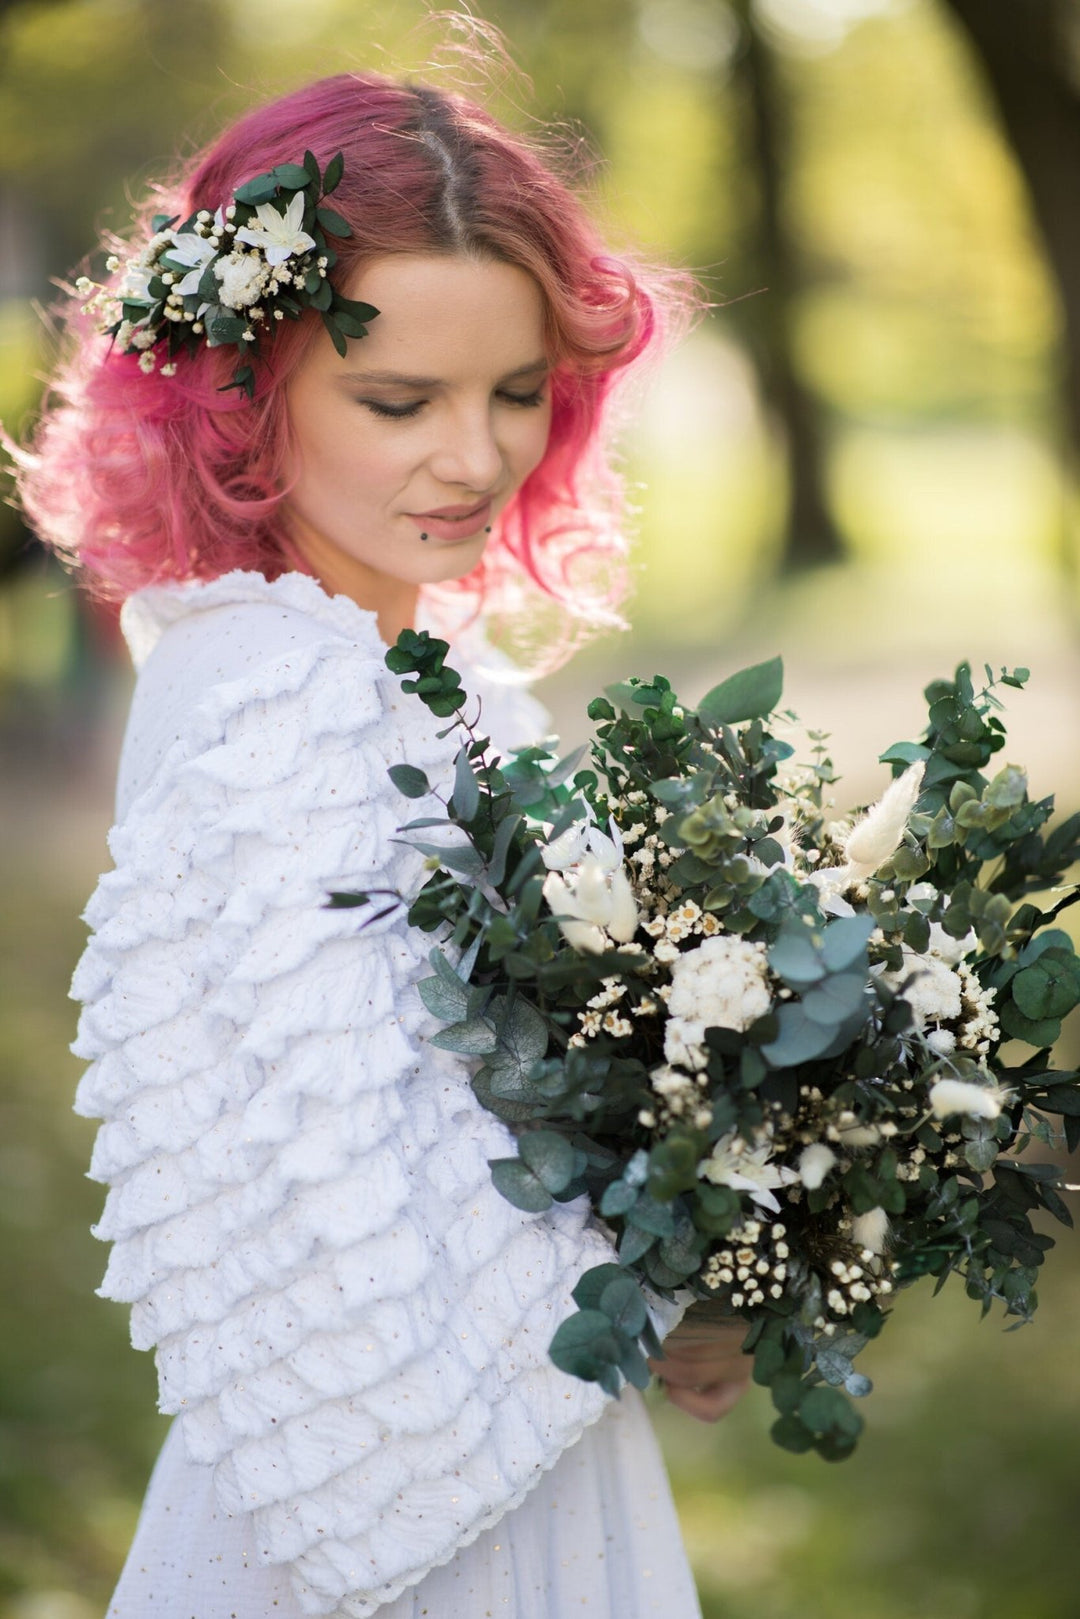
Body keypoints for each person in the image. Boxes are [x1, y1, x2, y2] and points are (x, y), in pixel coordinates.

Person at [10, 54, 751, 1619]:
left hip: (516, 1425)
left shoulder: (397, 668)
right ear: (241, 391)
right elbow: (339, 1199)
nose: (475, 459)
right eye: (399, 400)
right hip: (396, 1473)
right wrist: (663, 1275)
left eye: (517, 391)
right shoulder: (281, 700)